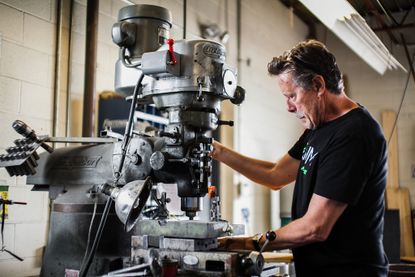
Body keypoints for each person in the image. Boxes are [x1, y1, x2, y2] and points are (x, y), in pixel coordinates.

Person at [210, 40, 388, 276]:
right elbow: (275, 174)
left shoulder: (354, 134)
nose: (289, 107)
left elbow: (316, 227)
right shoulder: (319, 128)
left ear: (318, 85)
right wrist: (215, 150)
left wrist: (248, 242)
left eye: (292, 95)